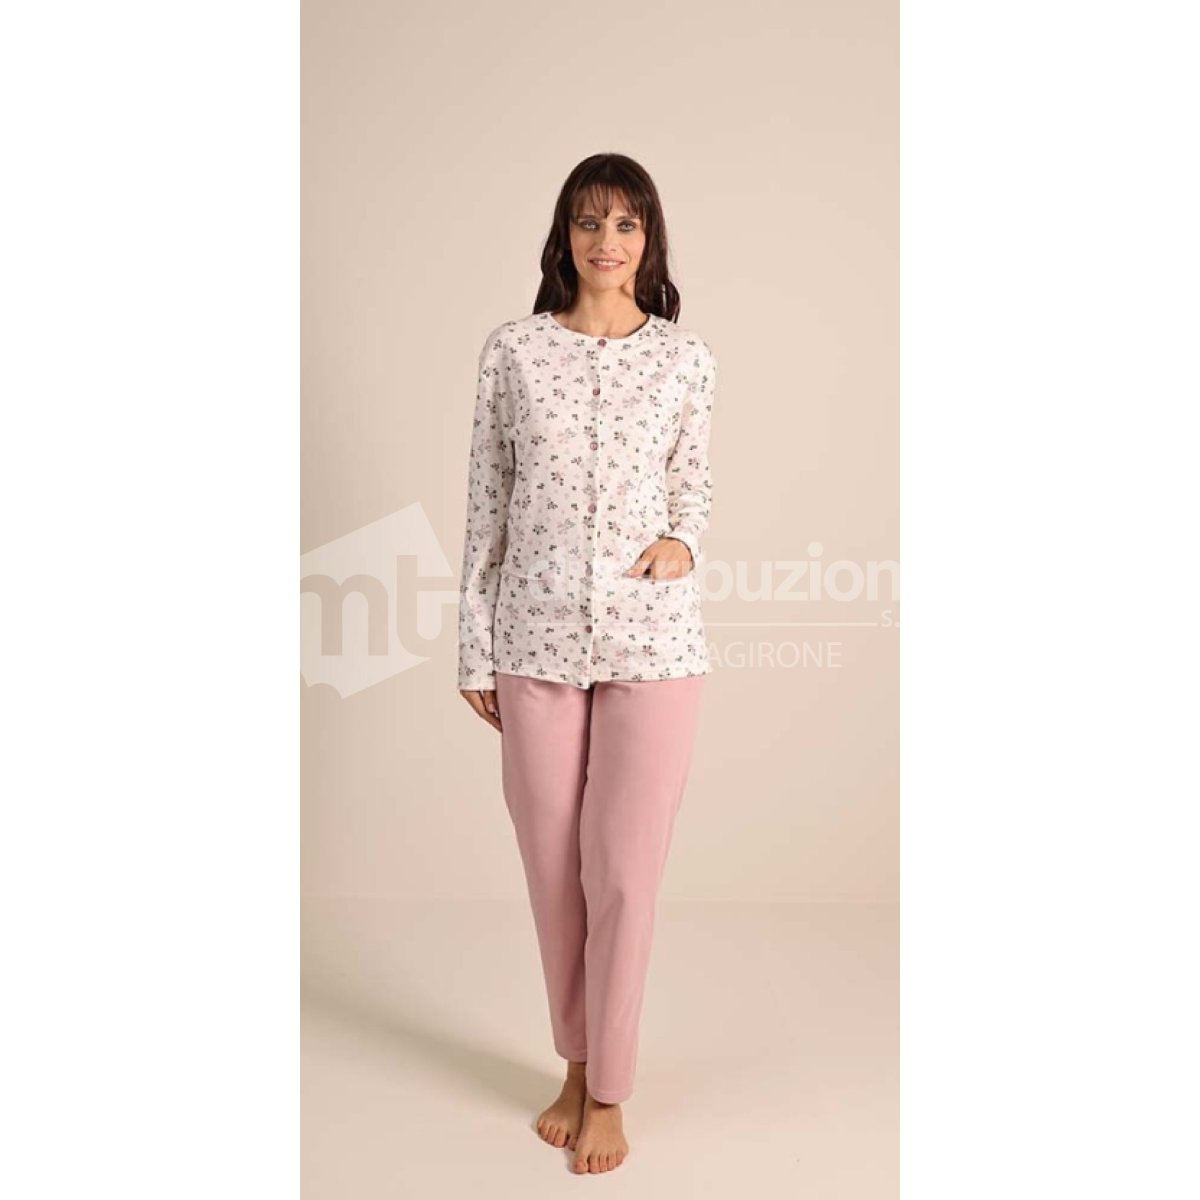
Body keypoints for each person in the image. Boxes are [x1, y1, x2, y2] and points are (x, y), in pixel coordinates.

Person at [456, 152, 717, 1175]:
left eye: (627, 224)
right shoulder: (513, 351)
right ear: (563, 236)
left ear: (650, 240)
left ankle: (609, 1088)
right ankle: (574, 1065)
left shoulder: (685, 359)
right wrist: (474, 647)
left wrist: (683, 541)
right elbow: (486, 501)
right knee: (552, 869)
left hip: (654, 643)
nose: (607, 241)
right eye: (589, 221)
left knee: (624, 873)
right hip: (533, 638)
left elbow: (694, 488)